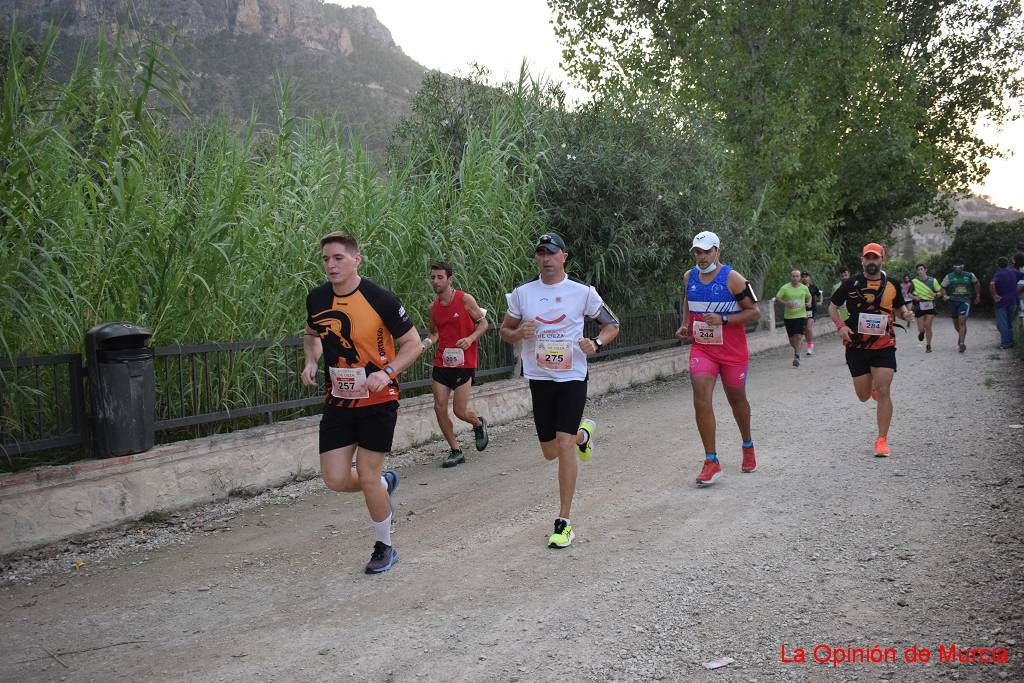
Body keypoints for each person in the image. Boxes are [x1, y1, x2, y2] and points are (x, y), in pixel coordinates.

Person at [301, 231, 423, 575]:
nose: (330, 265)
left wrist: (387, 372)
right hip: (339, 400)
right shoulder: (317, 298)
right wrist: (311, 361)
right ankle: (384, 486)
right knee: (336, 479)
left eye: (338, 257)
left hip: (379, 399)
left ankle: (384, 545)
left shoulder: (379, 298)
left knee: (367, 475)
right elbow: (312, 334)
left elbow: (413, 343)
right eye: (325, 258)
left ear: (357, 259)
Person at [499, 232, 620, 549]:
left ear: (564, 256)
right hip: (539, 378)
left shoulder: (582, 293)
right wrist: (518, 333)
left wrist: (595, 343)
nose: (546, 258)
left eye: (552, 253)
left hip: (572, 377)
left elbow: (612, 324)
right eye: (540, 253)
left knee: (563, 445)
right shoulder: (523, 295)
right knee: (550, 451)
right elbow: (504, 331)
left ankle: (564, 521)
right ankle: (584, 435)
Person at [675, 231, 761, 486]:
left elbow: (755, 312)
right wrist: (685, 325)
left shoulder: (733, 279)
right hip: (703, 349)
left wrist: (724, 319)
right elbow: (688, 301)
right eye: (697, 252)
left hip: (733, 352)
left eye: (706, 251)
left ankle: (747, 444)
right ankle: (711, 460)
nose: (701, 257)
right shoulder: (689, 277)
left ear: (717, 251)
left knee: (737, 401)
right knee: (701, 397)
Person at [829, 243, 914, 457]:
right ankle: (872, 389)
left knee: (885, 389)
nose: (872, 262)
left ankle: (882, 440)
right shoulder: (850, 284)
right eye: (868, 258)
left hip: (884, 344)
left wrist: (906, 314)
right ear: (862, 260)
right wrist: (841, 326)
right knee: (863, 396)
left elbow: (900, 308)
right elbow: (832, 306)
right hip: (856, 346)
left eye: (875, 258)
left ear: (882, 259)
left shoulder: (892, 284)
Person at [423, 262, 491, 467]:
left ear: (450, 279)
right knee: (439, 407)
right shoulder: (432, 308)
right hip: (442, 363)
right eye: (433, 277)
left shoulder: (464, 299)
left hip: (464, 363)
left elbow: (483, 323)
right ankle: (455, 450)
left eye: (440, 277)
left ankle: (478, 424)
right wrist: (426, 342)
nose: (435, 281)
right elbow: (435, 334)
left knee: (460, 411)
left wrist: (470, 339)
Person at [940, 260, 981, 353]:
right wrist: (944, 295)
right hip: (953, 301)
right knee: (956, 324)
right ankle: (961, 336)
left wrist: (978, 295)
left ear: (963, 267)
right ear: (953, 268)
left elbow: (977, 283)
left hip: (965, 301)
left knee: (962, 321)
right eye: (956, 267)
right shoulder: (949, 276)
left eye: (960, 267)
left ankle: (962, 343)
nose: (958, 269)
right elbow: (942, 287)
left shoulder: (970, 275)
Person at [776, 270, 811, 367]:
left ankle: (797, 356)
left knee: (799, 336)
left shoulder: (804, 288)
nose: (795, 278)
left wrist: (809, 302)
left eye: (797, 276)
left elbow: (809, 297)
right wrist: (786, 303)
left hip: (801, 315)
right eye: (793, 276)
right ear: (791, 277)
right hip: (789, 317)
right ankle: (797, 349)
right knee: (792, 340)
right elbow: (778, 297)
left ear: (800, 278)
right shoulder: (785, 287)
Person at [910, 263, 943, 353]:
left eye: (921, 269)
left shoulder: (933, 281)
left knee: (928, 326)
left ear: (926, 270)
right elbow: (908, 293)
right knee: (921, 328)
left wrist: (935, 294)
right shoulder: (914, 281)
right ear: (917, 271)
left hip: (930, 305)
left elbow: (940, 292)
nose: (920, 271)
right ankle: (921, 332)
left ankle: (928, 345)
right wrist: (914, 297)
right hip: (919, 305)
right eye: (918, 270)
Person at [990, 256, 1019, 349]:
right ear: (1008, 264)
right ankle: (1010, 342)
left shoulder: (998, 274)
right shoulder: (1014, 272)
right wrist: (1019, 290)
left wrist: (994, 295)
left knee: (1002, 324)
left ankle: (1005, 343)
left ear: (998, 265)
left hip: (1001, 302)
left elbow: (992, 284)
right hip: (1013, 301)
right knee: (1009, 323)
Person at [801, 271, 822, 355]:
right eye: (803, 276)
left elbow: (819, 294)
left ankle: (810, 345)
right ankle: (808, 343)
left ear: (809, 278)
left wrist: (820, 301)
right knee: (805, 329)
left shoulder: (813, 287)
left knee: (809, 328)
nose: (805, 278)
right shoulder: (799, 288)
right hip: (801, 311)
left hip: (811, 310)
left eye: (806, 276)